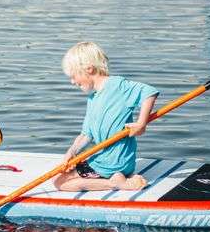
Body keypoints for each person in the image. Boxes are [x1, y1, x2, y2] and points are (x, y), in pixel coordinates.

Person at [53, 42, 158, 193]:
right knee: (62, 174)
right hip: (114, 162)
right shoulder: (93, 98)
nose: (72, 82)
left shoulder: (117, 86)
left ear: (89, 68)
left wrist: (141, 123)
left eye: (74, 76)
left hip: (112, 163)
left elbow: (149, 92)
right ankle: (120, 176)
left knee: (59, 182)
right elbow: (86, 134)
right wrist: (71, 152)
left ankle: (114, 183)